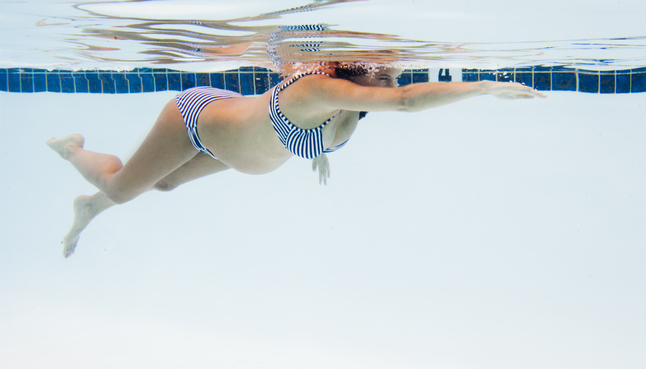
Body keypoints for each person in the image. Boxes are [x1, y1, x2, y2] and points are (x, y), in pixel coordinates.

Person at [46, 62, 546, 258]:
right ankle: (75, 151)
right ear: (349, 77)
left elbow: (389, 102)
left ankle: (91, 207)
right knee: (122, 188)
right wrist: (483, 86)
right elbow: (410, 101)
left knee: (163, 185)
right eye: (384, 78)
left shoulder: (353, 108)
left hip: (230, 142)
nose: (391, 83)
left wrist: (319, 154)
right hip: (195, 122)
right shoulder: (314, 89)